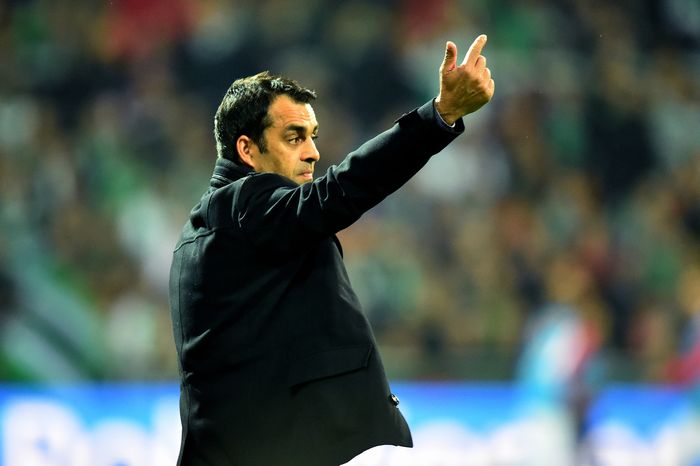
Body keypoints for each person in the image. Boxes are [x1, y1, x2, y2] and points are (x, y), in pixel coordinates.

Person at [169, 34, 494, 466]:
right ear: (246, 149)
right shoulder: (244, 206)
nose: (313, 153)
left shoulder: (205, 233)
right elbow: (341, 190)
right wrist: (440, 116)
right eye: (294, 137)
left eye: (313, 136)